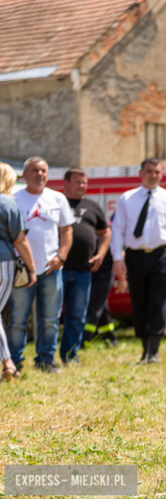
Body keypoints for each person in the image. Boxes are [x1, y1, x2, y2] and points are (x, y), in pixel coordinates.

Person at [111, 158, 166, 364]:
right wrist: (117, 258)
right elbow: (117, 229)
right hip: (135, 255)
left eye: (156, 171)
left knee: (158, 301)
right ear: (141, 173)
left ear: (162, 174)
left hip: (160, 255)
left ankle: (154, 350)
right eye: (149, 171)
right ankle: (144, 347)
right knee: (139, 301)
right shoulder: (127, 198)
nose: (153, 175)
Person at [9, 157, 74, 374]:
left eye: (44, 171)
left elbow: (66, 231)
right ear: (24, 175)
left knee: (51, 319)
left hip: (51, 269)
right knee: (18, 319)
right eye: (35, 170)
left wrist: (61, 257)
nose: (40, 174)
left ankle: (46, 360)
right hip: (22, 270)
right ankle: (14, 362)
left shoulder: (58, 199)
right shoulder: (13, 199)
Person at [59, 168, 110, 364]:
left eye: (84, 182)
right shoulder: (57, 202)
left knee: (77, 316)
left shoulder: (92, 206)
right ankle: (45, 357)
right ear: (65, 183)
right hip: (57, 270)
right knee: (51, 316)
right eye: (77, 182)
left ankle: (70, 355)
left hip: (83, 271)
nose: (82, 186)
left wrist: (101, 254)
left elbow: (105, 232)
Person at [0, 162, 37, 381]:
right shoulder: (7, 202)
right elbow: (20, 240)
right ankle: (9, 364)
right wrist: (32, 269)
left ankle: (8, 364)